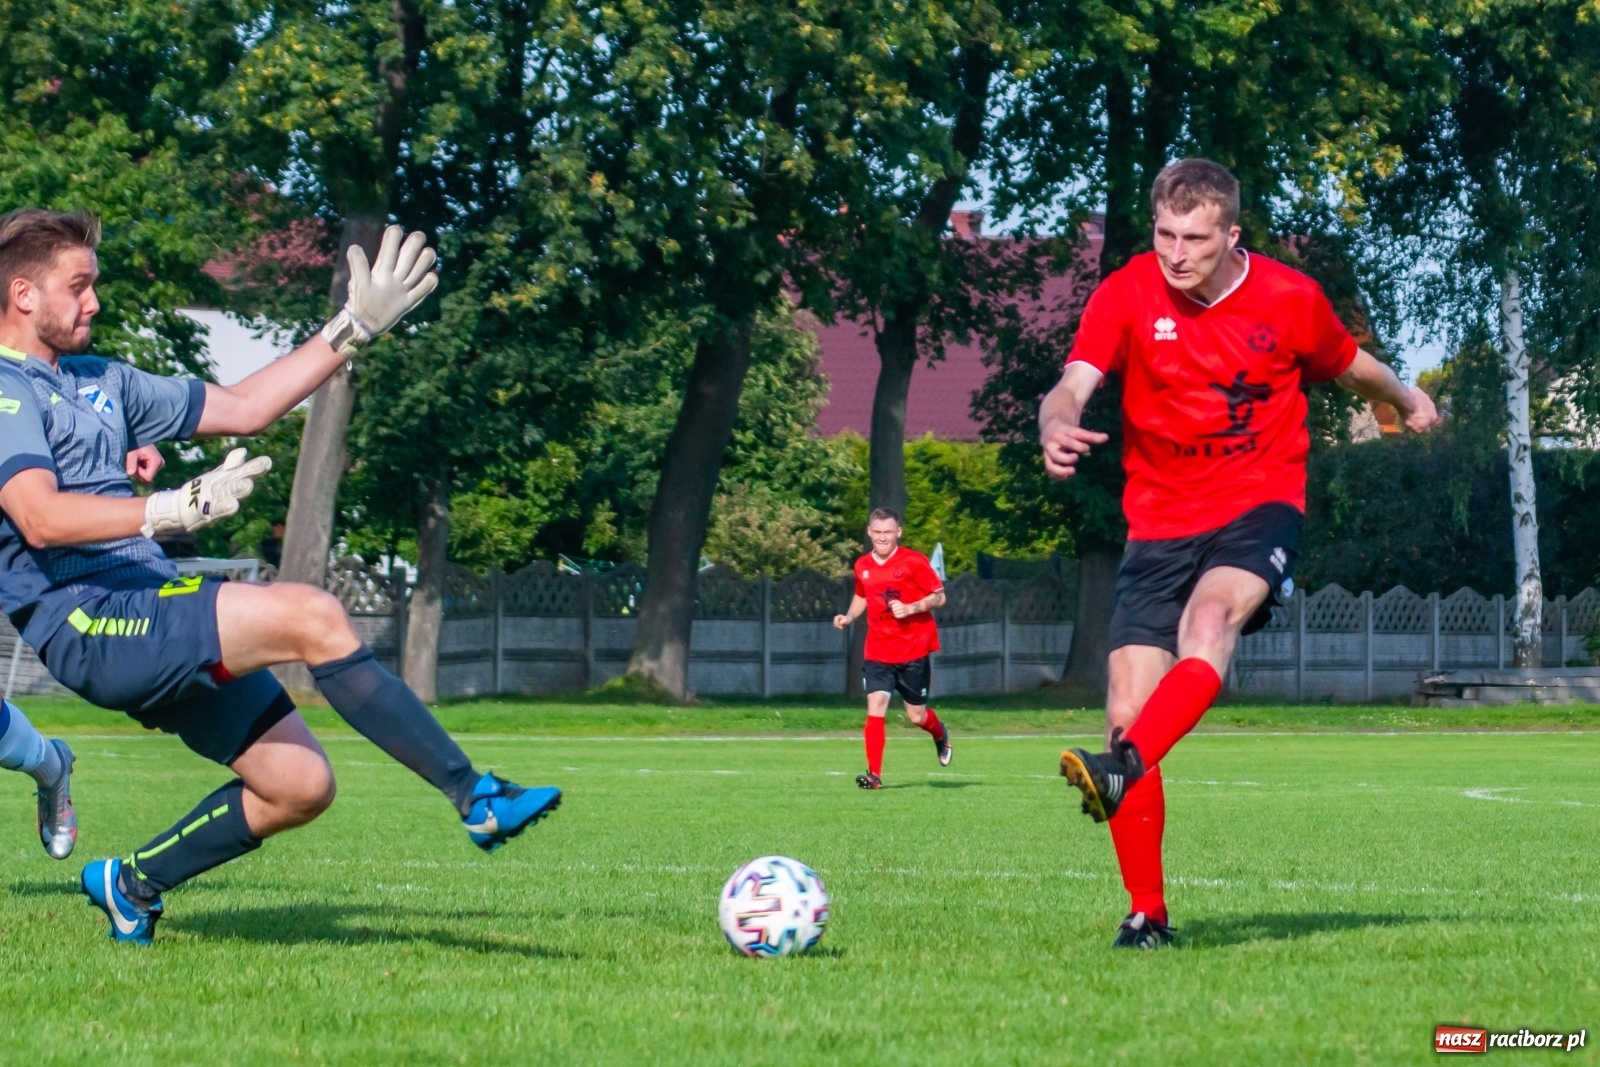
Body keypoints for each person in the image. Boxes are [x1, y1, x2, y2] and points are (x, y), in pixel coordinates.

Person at [0, 208, 561, 945]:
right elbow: (38, 516)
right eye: (79, 286)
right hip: (90, 622)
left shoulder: (102, 379)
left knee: (300, 787)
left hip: (149, 606)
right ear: (23, 295)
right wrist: (169, 506)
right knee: (311, 615)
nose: (95, 302)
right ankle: (475, 796)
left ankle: (131, 884)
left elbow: (245, 407)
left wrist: (352, 326)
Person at [1037, 159, 1439, 949]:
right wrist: (1054, 421)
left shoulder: (1289, 299)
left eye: (1193, 238)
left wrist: (1407, 397)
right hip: (1156, 520)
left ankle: (1120, 770)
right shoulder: (1126, 291)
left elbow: (1356, 368)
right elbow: (1072, 382)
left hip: (1257, 505)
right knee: (1127, 713)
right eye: (1163, 234)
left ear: (1231, 235)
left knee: (1211, 621)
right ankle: (1147, 914)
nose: (1175, 253)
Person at [833, 509, 949, 789]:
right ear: (869, 532)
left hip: (913, 650)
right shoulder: (862, 565)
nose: (882, 537)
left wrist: (910, 608)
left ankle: (940, 734)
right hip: (878, 652)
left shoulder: (914, 561)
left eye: (888, 532)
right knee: (876, 705)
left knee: (915, 716)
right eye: (877, 532)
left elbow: (940, 597)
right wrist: (849, 616)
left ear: (898, 532)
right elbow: (862, 594)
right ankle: (874, 775)